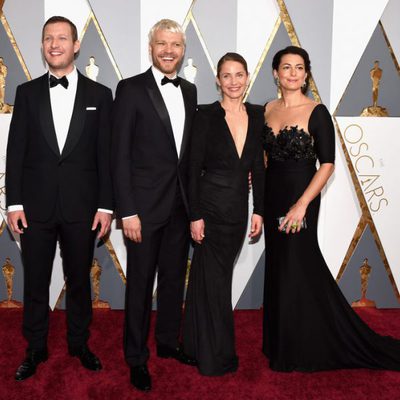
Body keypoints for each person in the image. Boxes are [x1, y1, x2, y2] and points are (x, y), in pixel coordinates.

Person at [262, 45, 400, 372]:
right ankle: (281, 340)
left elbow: (327, 164)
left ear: (306, 74)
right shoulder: (267, 109)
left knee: (298, 264)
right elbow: (265, 156)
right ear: (275, 73)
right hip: (273, 197)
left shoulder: (317, 111)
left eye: (299, 67)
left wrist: (301, 205)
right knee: (280, 266)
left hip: (301, 197)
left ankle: (303, 344)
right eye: (286, 67)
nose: (293, 73)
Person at [6, 16, 113, 381]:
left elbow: (106, 156)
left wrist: (106, 205)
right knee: (35, 280)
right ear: (42, 45)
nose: (55, 44)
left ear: (76, 45)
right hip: (34, 208)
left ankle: (79, 343)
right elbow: (15, 151)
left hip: (83, 209)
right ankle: (35, 347)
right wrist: (14, 203)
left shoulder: (101, 96)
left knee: (79, 280)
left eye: (62, 38)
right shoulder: (26, 92)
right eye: (48, 38)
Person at [112, 19, 197, 392]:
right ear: (151, 47)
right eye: (162, 43)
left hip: (180, 208)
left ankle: (165, 343)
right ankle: (135, 357)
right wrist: (127, 211)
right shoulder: (130, 89)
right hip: (143, 212)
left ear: (182, 49)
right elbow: (119, 156)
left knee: (174, 281)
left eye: (175, 44)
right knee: (141, 286)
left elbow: (189, 156)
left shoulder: (191, 91)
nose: (168, 50)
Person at [183, 53, 265, 376]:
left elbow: (258, 165)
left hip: (238, 211)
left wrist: (259, 208)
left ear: (247, 78)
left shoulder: (257, 116)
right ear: (217, 80)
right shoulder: (204, 115)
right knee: (213, 281)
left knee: (213, 279)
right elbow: (192, 169)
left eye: (239, 75)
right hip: (210, 207)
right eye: (226, 76)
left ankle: (193, 344)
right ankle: (215, 355)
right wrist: (194, 214)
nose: (233, 82)